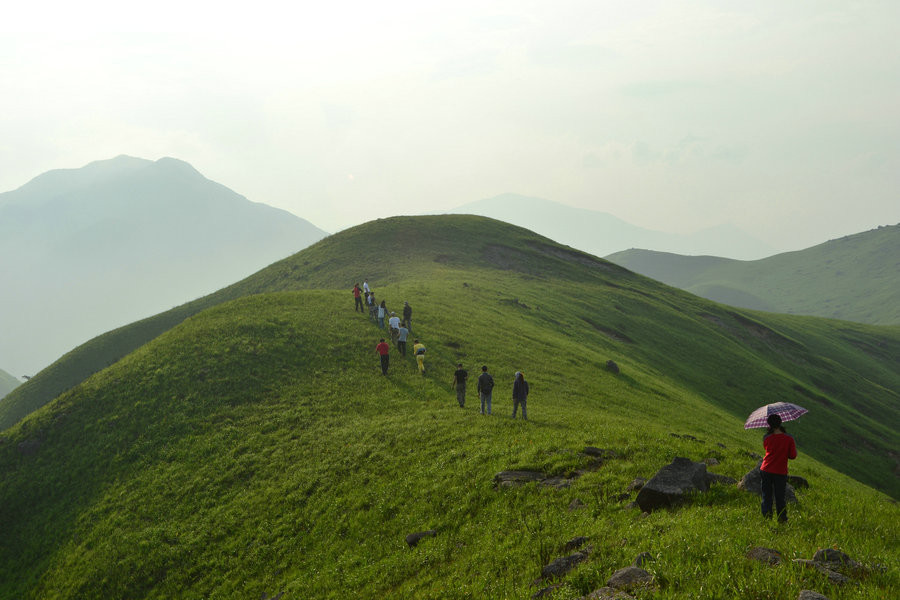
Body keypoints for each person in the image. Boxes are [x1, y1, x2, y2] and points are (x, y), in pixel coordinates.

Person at [759, 413, 797, 522]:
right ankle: (782, 519)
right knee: (780, 497)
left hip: (765, 469)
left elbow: (768, 450)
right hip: (780, 471)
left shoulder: (766, 437)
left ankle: (767, 518)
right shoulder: (789, 439)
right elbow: (793, 456)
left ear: (769, 424)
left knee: (767, 496)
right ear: (780, 423)